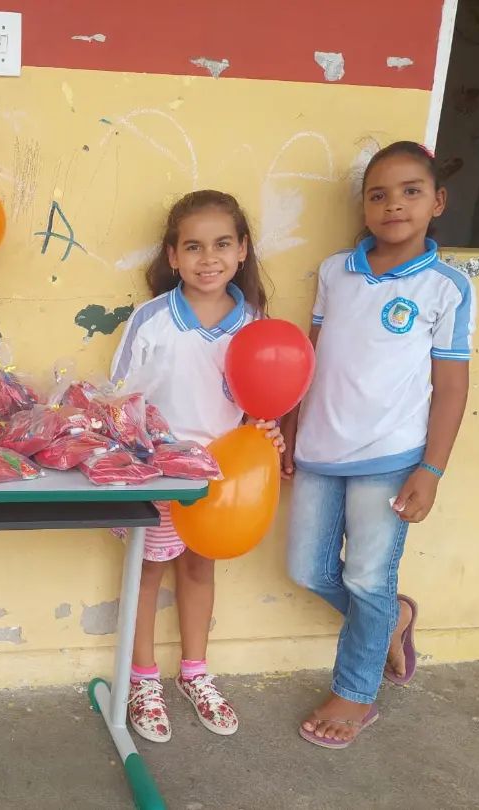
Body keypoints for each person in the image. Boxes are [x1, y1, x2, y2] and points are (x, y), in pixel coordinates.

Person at [283, 141, 475, 749]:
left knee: (368, 578)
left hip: (391, 456)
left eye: (410, 191)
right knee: (308, 570)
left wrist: (431, 470)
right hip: (319, 449)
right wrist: (289, 429)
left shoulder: (447, 287)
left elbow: (451, 386)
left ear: (437, 201)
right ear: (365, 207)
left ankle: (355, 692)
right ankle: (394, 617)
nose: (394, 204)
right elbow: (310, 356)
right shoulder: (335, 272)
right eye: (379, 194)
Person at [110, 190, 284, 743]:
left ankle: (194, 673)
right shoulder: (151, 320)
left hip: (220, 480)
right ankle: (142, 679)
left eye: (222, 244)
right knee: (147, 570)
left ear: (243, 249)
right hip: (157, 471)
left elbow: (262, 399)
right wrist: (138, 450)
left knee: (198, 569)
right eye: (193, 247)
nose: (208, 258)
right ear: (172, 255)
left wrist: (268, 430)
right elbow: (118, 395)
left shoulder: (255, 324)